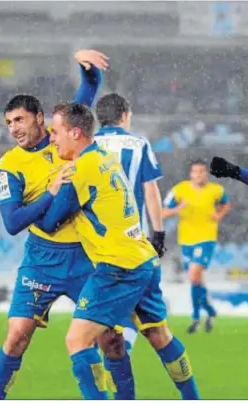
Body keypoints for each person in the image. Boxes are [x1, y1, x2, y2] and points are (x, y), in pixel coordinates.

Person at [0, 50, 136, 401]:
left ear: (40, 118)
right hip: (41, 259)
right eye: (8, 123)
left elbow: (90, 87)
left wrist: (85, 65)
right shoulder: (9, 165)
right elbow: (11, 223)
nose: (14, 129)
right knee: (17, 336)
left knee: (110, 340)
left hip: (85, 256)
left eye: (19, 120)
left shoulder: (64, 134)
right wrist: (49, 194)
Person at [35, 102, 200, 400]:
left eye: (55, 132)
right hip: (142, 256)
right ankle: (193, 399)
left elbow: (48, 223)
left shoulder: (80, 170)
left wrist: (47, 192)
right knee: (158, 336)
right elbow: (148, 189)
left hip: (117, 266)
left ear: (75, 132)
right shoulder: (106, 157)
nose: (51, 138)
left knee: (77, 341)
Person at [93, 92, 166, 389]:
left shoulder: (87, 146)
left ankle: (106, 378)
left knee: (103, 320)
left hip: (97, 247)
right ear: (124, 115)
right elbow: (150, 191)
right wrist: (158, 233)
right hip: (135, 244)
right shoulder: (139, 145)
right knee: (154, 325)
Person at [163, 160, 231, 333]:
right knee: (196, 280)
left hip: (206, 238)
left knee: (194, 275)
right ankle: (209, 310)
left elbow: (226, 203)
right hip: (186, 240)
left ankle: (195, 316)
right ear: (190, 174)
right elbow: (163, 212)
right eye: (195, 172)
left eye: (202, 172)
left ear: (206, 173)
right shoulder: (180, 190)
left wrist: (219, 215)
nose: (199, 175)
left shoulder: (215, 190)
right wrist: (178, 208)